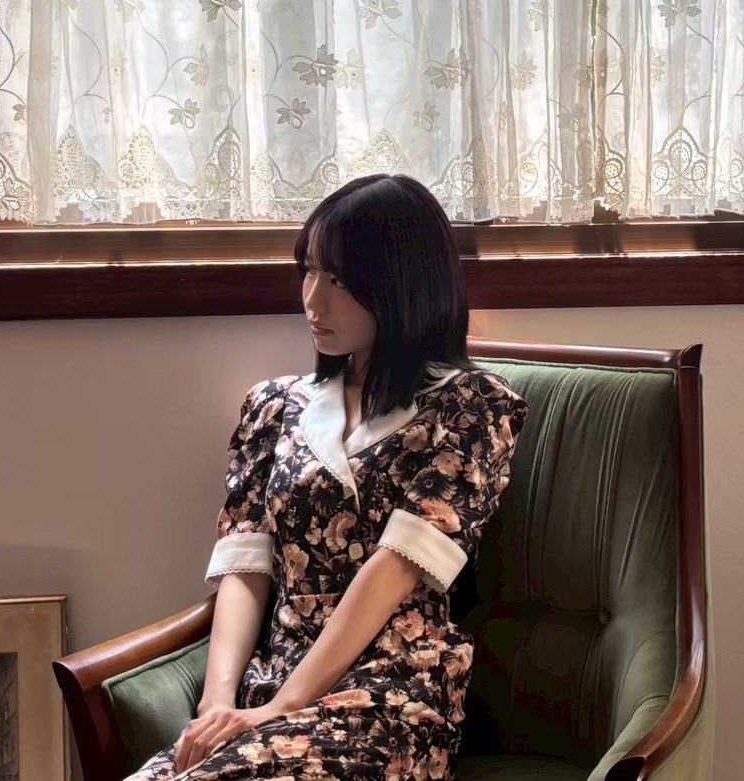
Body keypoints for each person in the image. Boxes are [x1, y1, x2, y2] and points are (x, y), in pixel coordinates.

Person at [126, 174, 528, 781]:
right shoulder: (273, 406)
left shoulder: (471, 408)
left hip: (389, 695)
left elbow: (394, 569)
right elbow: (245, 569)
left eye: (338, 280)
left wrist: (283, 707)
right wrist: (218, 704)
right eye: (309, 271)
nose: (313, 300)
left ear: (400, 285)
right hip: (273, 679)